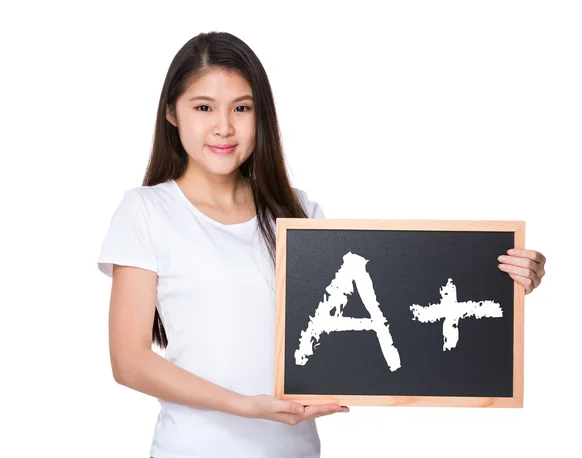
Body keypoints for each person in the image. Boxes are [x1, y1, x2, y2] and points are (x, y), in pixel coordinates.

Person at [97, 31, 546, 458]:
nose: (223, 128)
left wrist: (496, 277)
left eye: (241, 108)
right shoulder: (146, 211)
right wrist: (244, 405)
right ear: (172, 113)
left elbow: (392, 311)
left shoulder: (297, 215)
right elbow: (129, 360)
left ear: (261, 115)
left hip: (294, 450)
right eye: (203, 108)